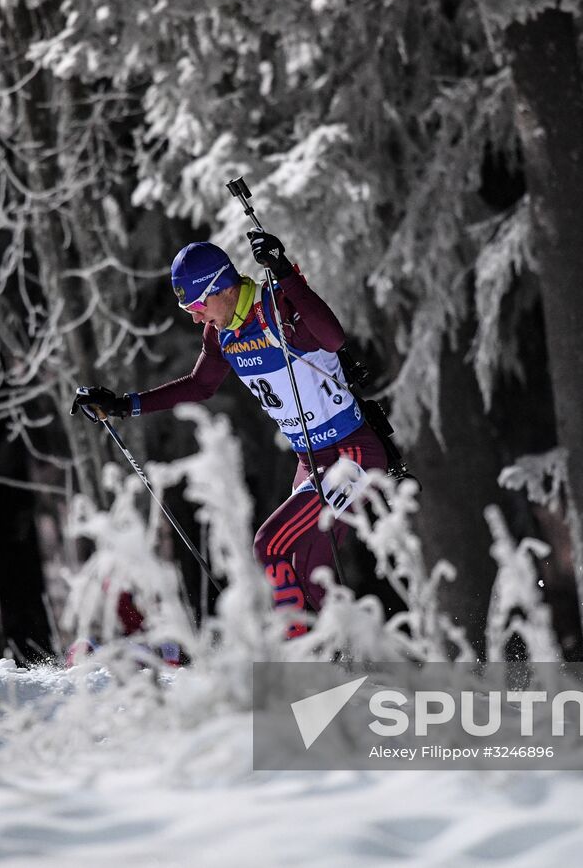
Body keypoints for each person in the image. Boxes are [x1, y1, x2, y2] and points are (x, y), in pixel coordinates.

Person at [71, 230, 387, 636]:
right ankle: (358, 661)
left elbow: (333, 337)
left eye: (197, 304)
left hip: (351, 455)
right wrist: (123, 405)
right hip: (310, 462)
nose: (194, 315)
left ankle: (297, 658)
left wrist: (286, 272)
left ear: (220, 288)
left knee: (268, 545)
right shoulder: (221, 333)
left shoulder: (276, 308)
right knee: (310, 571)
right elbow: (200, 386)